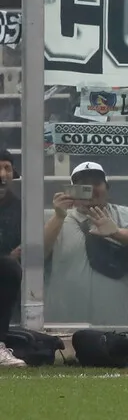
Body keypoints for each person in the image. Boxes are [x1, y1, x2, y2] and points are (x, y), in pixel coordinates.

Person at [44, 162, 128, 325]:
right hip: (67, 328)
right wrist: (59, 216)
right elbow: (36, 257)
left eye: (96, 183)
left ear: (107, 188)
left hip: (127, 326)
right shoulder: (57, 221)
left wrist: (117, 233)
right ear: (72, 192)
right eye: (83, 185)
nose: (92, 189)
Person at [0, 150, 23, 367]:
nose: (2, 174)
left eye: (7, 168)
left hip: (7, 277)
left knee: (9, 268)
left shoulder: (21, 208)